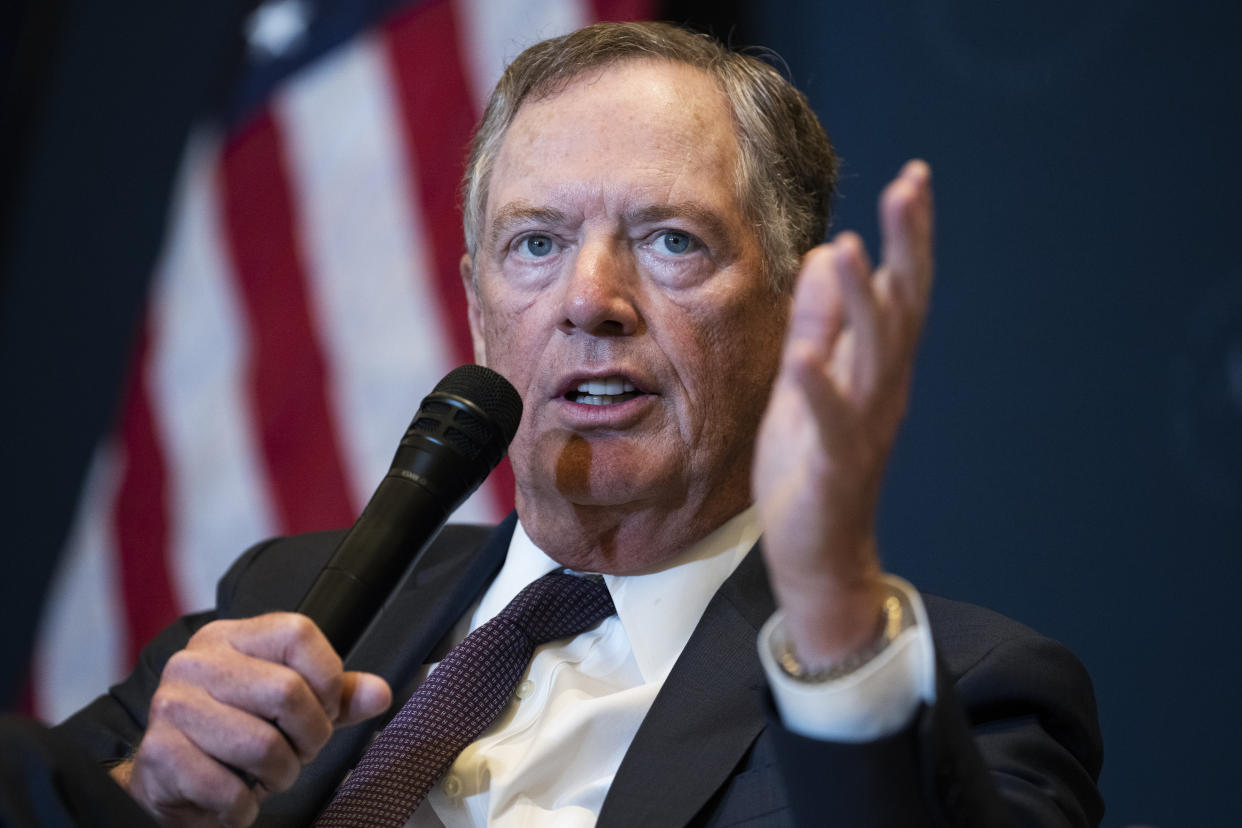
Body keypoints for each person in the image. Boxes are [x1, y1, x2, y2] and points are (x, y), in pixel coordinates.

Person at [57, 21, 1103, 827]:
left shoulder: (971, 692)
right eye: (535, 244)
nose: (589, 298)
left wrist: (829, 608)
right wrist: (136, 799)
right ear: (477, 307)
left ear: (792, 310)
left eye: (671, 240)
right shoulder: (280, 605)